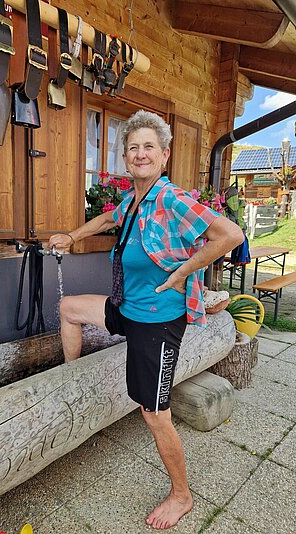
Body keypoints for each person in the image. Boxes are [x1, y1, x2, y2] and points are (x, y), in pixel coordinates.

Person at [49, 110, 244, 530]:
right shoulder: (134, 199)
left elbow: (229, 235)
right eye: (133, 147)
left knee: (155, 414)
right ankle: (70, 380)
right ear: (125, 157)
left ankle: (182, 495)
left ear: (164, 155)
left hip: (156, 321)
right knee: (69, 309)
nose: (140, 153)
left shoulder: (170, 199)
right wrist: (71, 236)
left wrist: (183, 271)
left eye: (148, 147)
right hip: (125, 306)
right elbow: (107, 219)